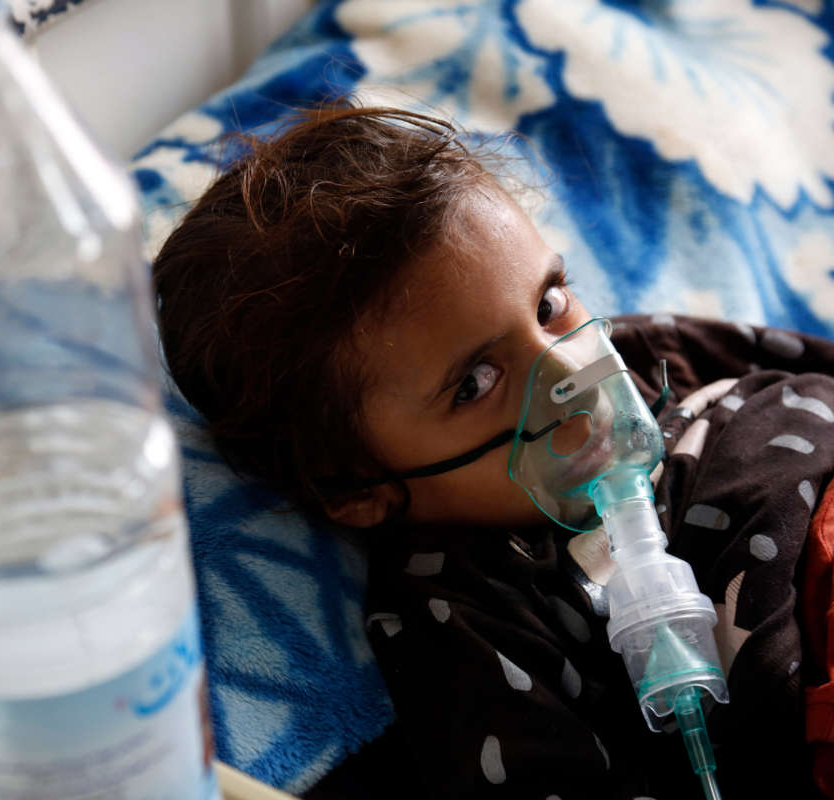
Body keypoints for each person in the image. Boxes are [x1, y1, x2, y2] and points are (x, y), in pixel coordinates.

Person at [152, 103, 834, 799]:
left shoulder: (648, 350)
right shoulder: (467, 604)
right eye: (476, 382)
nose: (573, 375)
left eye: (547, 306)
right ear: (357, 489)